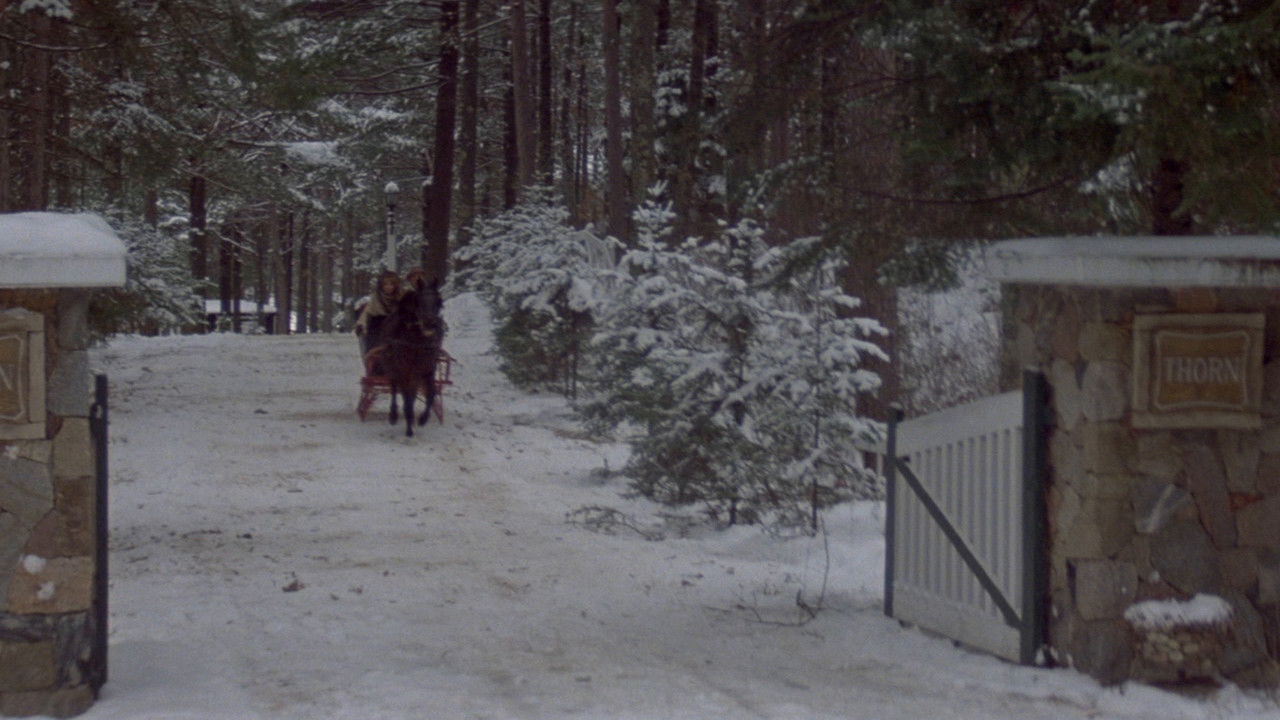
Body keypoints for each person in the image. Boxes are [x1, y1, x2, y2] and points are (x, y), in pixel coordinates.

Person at [354, 270, 402, 361]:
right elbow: (367, 313)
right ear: (381, 286)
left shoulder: (401, 298)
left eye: (391, 284)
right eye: (386, 284)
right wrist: (361, 324)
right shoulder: (376, 299)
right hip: (378, 329)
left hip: (397, 329)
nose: (388, 287)